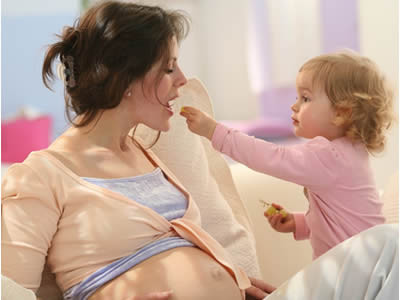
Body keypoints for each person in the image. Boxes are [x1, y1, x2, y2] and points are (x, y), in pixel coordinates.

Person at [2, 1, 274, 300]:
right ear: (125, 77)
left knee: (337, 266)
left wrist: (232, 278)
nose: (182, 80)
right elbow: (10, 293)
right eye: (169, 68)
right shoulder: (38, 177)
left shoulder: (144, 152)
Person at [180, 50, 394, 259]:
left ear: (341, 112)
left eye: (306, 98)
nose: (294, 105)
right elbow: (344, 218)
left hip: (354, 272)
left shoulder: (329, 155)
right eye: (297, 97)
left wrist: (215, 132)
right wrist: (299, 222)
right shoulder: (351, 151)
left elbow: (272, 157)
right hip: (368, 264)